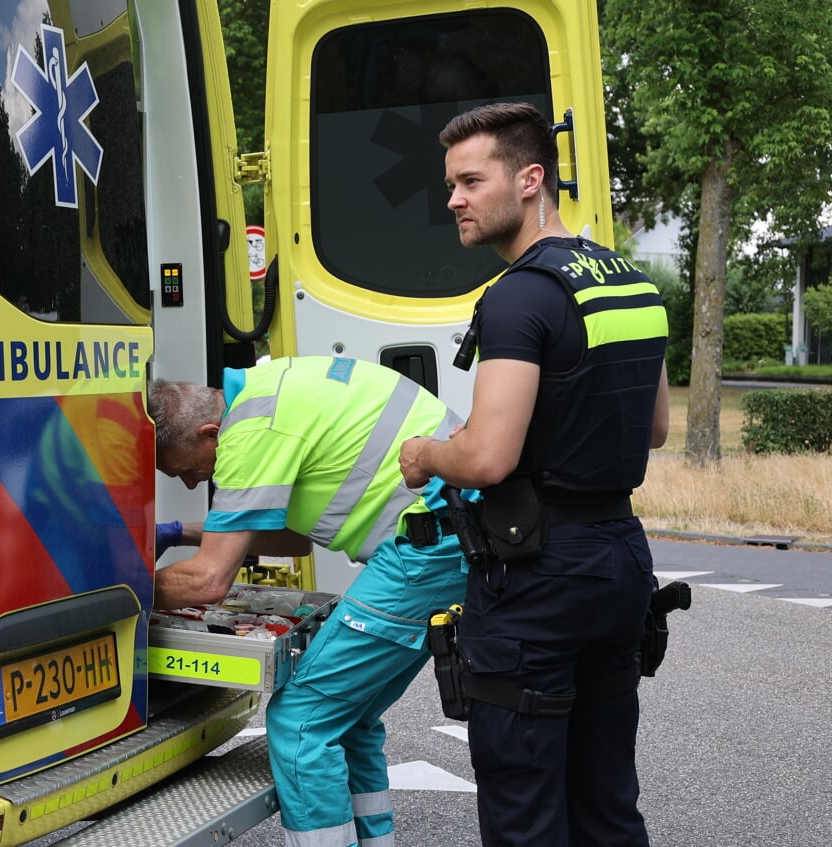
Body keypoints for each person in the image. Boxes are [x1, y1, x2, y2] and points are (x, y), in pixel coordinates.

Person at [397, 101, 671, 847]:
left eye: (469, 180)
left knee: (524, 813)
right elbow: (653, 429)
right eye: (450, 183)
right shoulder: (629, 283)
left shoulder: (520, 294)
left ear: (528, 180)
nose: (452, 198)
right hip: (618, 561)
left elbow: (487, 456)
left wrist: (425, 453)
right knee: (607, 802)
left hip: (536, 577)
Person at [148, 356, 472, 847]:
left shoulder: (251, 431)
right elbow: (294, 540)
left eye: (186, 471)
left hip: (424, 555)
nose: (192, 483)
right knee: (353, 717)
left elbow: (207, 583)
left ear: (209, 433)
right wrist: (179, 533)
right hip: (459, 541)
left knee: (300, 720)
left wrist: (116, 587)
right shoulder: (269, 390)